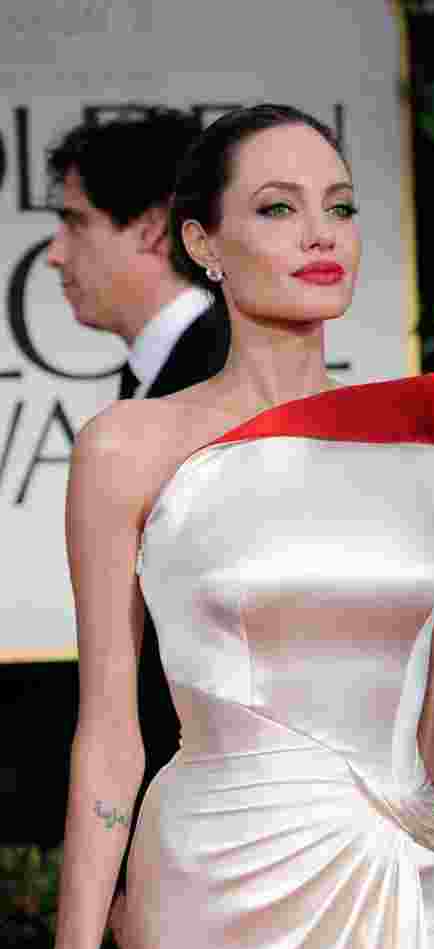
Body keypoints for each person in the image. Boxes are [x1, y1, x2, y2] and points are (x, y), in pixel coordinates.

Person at [38, 104, 434, 949]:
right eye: (278, 208)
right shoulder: (127, 447)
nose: (320, 233)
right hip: (216, 886)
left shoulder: (433, 438)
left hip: (397, 880)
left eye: (339, 207)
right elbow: (109, 726)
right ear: (201, 242)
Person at [47, 110, 230, 831]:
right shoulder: (167, 373)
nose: (56, 255)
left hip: (207, 815)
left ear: (153, 229)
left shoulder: (214, 375)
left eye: (77, 223)